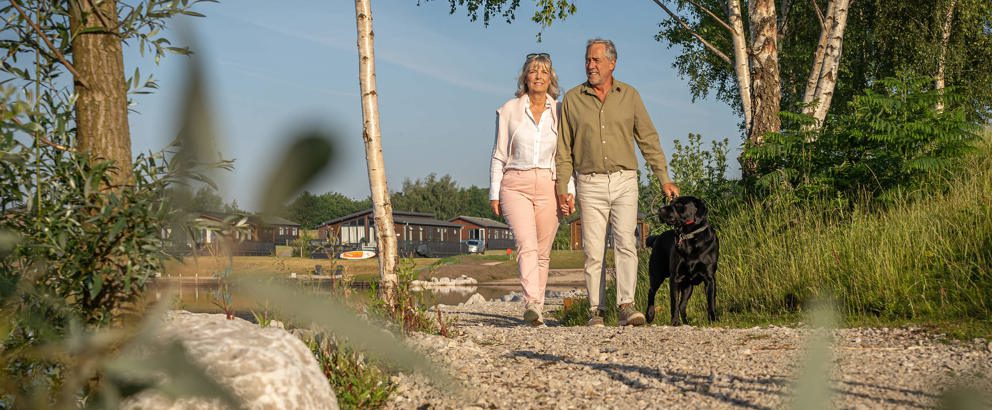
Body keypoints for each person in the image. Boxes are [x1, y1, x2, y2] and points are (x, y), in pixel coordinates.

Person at [556, 39, 680, 327]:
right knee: (593, 249)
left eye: (596, 60)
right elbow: (564, 149)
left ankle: (626, 305)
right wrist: (564, 188)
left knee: (626, 242)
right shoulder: (573, 99)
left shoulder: (630, 96)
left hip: (625, 180)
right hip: (589, 182)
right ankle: (596, 311)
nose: (590, 65)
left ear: (612, 63)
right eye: (588, 59)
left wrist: (664, 178)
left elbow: (648, 139)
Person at [490, 52, 573, 327]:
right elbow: (499, 154)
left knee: (543, 250)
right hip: (515, 184)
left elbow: (566, 156)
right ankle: (532, 304)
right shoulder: (509, 110)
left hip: (550, 185)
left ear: (551, 79)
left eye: (544, 72)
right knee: (526, 244)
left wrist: (568, 190)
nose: (538, 76)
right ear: (525, 77)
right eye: (534, 71)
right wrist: (494, 191)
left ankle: (536, 305)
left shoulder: (561, 111)